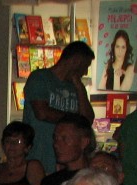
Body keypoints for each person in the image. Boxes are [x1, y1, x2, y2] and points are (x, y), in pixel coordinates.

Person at [23, 41, 95, 174]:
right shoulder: (40, 78)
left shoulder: (76, 87)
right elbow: (42, 112)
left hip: (68, 163)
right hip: (40, 158)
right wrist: (74, 120)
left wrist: (80, 88)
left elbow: (87, 120)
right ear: (76, 61)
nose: (85, 72)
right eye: (85, 66)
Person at [41, 114, 95, 185]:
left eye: (65, 139)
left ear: (84, 142)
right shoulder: (50, 182)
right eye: (55, 138)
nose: (56, 145)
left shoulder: (95, 180)